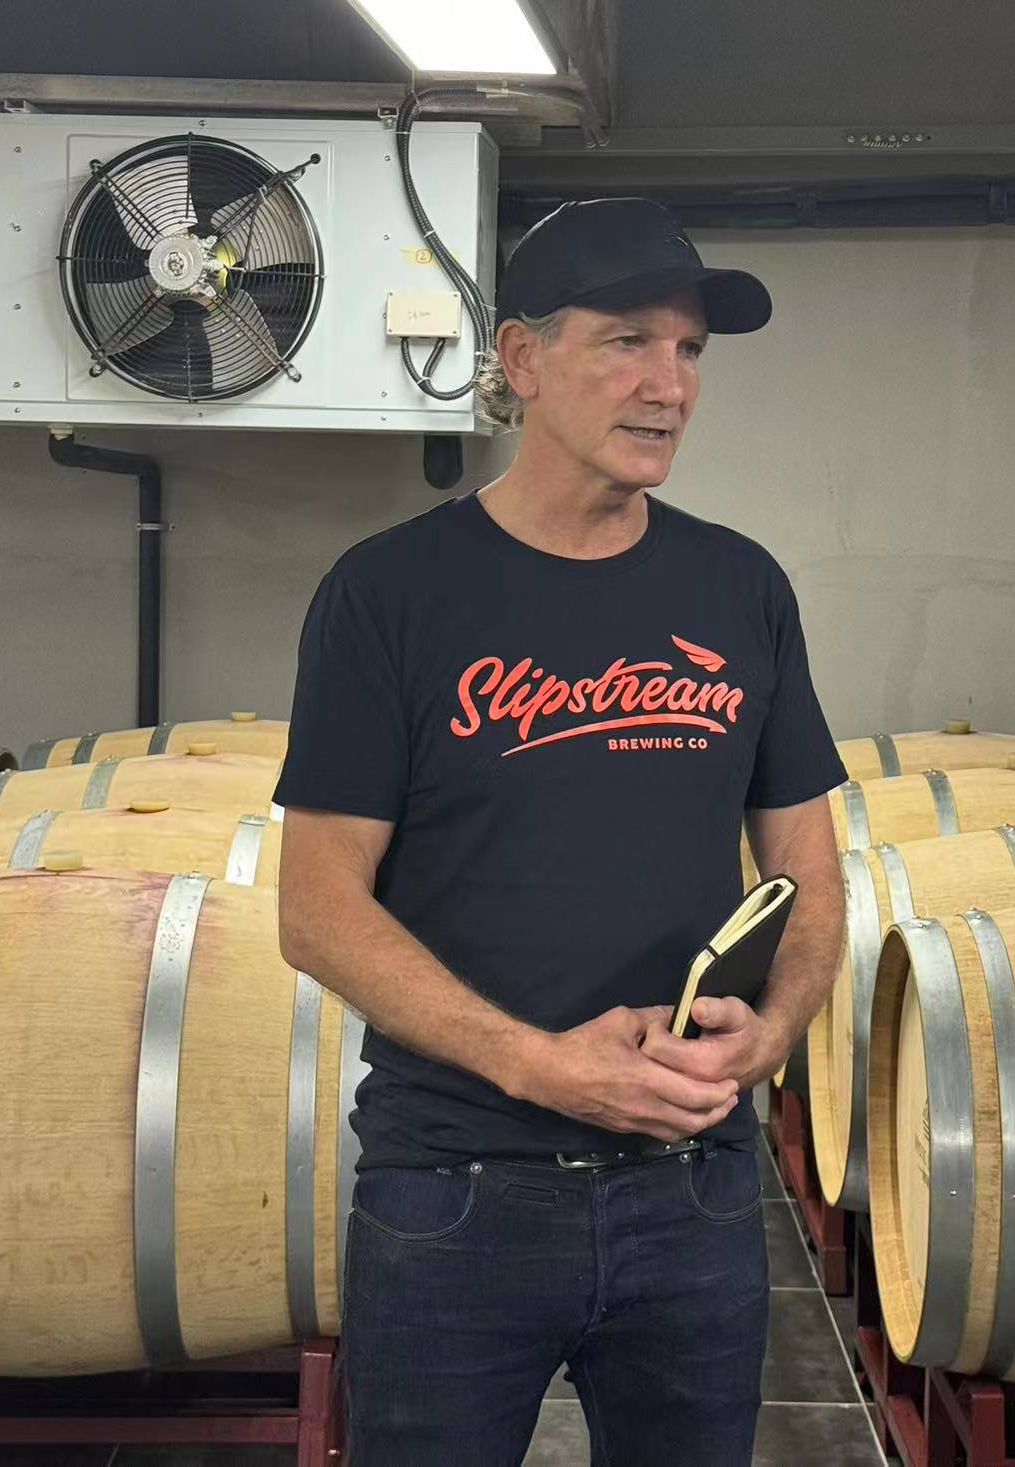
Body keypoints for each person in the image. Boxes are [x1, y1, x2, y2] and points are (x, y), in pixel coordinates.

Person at [274, 197, 848, 1465]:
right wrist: (540, 1066)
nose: (668, 385)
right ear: (522, 358)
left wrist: (771, 1036)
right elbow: (314, 912)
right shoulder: (387, 594)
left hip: (691, 1193)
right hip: (455, 1195)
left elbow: (807, 871)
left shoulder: (740, 587)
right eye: (627, 341)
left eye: (688, 350)